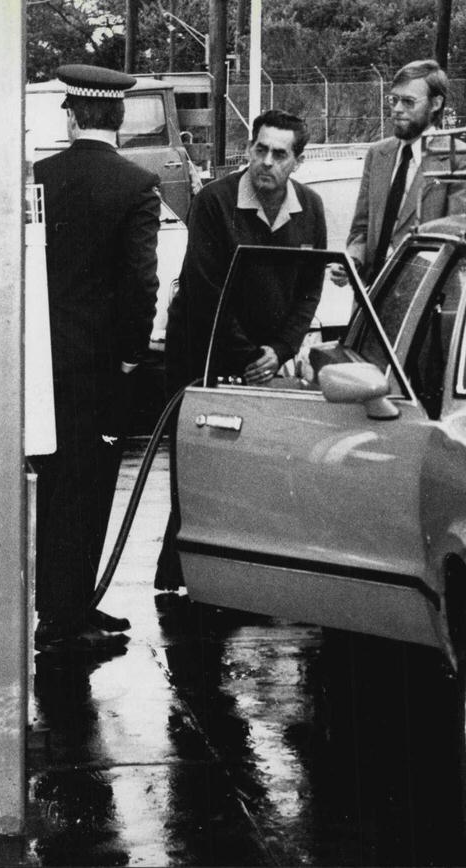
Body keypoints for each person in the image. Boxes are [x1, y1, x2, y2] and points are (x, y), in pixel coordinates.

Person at [154, 109, 326, 591]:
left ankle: (246, 581)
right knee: (199, 475)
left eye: (279, 154)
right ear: (249, 149)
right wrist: (252, 355)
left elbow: (309, 287)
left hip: (264, 361)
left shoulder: (309, 208)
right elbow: (207, 288)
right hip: (203, 352)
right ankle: (180, 582)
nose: (266, 162)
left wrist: (280, 348)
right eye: (260, 150)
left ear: (297, 160)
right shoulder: (214, 202)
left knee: (257, 473)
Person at [34, 64, 160, 651]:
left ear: (72, 112)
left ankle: (67, 604)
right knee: (90, 487)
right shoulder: (135, 186)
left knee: (58, 484)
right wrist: (134, 355)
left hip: (43, 362)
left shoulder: (41, 177)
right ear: (119, 117)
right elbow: (141, 284)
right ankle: (65, 616)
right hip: (102, 366)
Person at [344, 59, 466, 283]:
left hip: (423, 300)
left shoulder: (461, 159)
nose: (397, 109)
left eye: (408, 102)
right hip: (371, 295)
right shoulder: (378, 154)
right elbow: (361, 228)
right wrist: (352, 261)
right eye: (393, 100)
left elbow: (457, 239)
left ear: (435, 104)